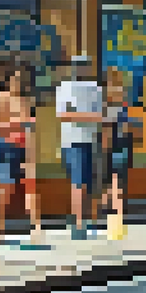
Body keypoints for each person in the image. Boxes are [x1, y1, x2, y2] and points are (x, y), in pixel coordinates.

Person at [57, 58, 104, 239]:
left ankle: (82, 220)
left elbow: (100, 116)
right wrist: (87, 116)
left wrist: (77, 114)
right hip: (71, 141)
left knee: (85, 183)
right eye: (78, 66)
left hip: (89, 140)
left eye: (84, 65)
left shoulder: (95, 89)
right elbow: (63, 115)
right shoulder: (65, 88)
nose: (81, 69)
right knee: (77, 182)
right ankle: (78, 222)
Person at [0, 68, 38, 246]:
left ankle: (35, 226)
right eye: (16, 79)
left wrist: (30, 152)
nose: (18, 82)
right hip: (4, 144)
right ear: (8, 80)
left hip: (21, 146)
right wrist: (20, 123)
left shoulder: (25, 101)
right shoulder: (0, 99)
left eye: (21, 79)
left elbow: (30, 128)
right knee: (4, 187)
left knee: (27, 186)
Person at [101, 70, 136, 240]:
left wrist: (104, 150)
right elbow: (125, 129)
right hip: (122, 145)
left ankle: (115, 217)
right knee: (117, 183)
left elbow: (108, 131)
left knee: (113, 182)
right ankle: (116, 216)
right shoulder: (122, 109)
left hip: (115, 146)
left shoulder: (110, 109)